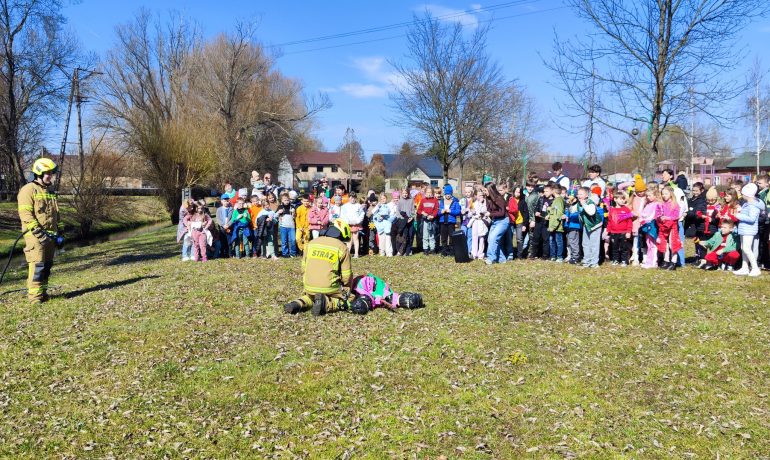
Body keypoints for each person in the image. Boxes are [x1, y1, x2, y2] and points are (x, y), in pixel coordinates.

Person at [284, 219, 353, 316]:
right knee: (351, 299)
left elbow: (303, 268)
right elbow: (347, 276)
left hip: (309, 286)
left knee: (310, 297)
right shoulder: (342, 247)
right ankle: (327, 304)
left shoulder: (311, 243)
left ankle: (297, 303)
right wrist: (346, 288)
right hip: (329, 288)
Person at [17, 158, 60, 304]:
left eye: (51, 173)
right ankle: (35, 298)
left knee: (47, 266)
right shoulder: (28, 190)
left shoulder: (50, 190)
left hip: (50, 236)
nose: (50, 176)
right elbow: (26, 215)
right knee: (38, 266)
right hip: (35, 237)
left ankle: (43, 294)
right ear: (39, 173)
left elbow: (55, 213)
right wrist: (38, 232)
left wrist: (59, 231)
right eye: (47, 173)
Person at [734, 183, 765, 277]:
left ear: (747, 195)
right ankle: (745, 268)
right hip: (744, 229)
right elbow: (746, 214)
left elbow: (751, 219)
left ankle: (755, 268)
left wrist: (738, 215)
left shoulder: (753, 206)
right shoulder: (747, 204)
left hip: (749, 230)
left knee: (747, 249)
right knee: (744, 249)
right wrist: (740, 210)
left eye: (742, 193)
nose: (741, 195)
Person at [574, 186, 602, 268]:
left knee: (594, 244)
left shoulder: (590, 202)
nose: (579, 196)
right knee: (585, 244)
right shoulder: (579, 203)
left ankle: (594, 262)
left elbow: (591, 212)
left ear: (586, 195)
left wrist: (584, 204)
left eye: (581, 194)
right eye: (578, 194)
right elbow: (573, 210)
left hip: (595, 226)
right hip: (586, 226)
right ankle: (587, 260)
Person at [656, 186, 683, 270]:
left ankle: (673, 262)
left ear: (671, 194)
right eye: (663, 194)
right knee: (664, 244)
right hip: (663, 227)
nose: (664, 195)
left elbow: (676, 216)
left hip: (672, 227)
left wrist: (668, 218)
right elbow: (657, 214)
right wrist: (659, 217)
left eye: (666, 194)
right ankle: (666, 260)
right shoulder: (660, 204)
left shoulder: (674, 204)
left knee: (672, 244)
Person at [484, 182, 509, 265]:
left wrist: (490, 214)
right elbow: (489, 211)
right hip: (495, 221)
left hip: (503, 221)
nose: (484, 192)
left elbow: (502, 213)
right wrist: (485, 213)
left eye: (485, 190)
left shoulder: (499, 199)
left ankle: (491, 258)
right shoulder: (488, 199)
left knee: (493, 238)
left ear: (490, 190)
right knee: (490, 239)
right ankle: (502, 259)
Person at [607, 190, 634, 266]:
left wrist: (628, 231)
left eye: (623, 199)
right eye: (620, 199)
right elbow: (610, 221)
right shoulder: (612, 210)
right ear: (615, 199)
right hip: (614, 233)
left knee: (624, 247)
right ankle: (615, 260)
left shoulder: (626, 210)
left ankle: (624, 261)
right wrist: (608, 230)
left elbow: (629, 222)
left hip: (623, 232)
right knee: (614, 247)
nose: (622, 200)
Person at [531, 182, 554, 259]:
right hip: (539, 221)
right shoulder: (541, 199)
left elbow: (554, 212)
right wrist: (536, 212)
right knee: (535, 238)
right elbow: (536, 208)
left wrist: (549, 216)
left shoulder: (554, 201)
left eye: (547, 191)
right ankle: (534, 254)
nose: (545, 193)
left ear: (552, 191)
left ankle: (545, 255)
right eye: (544, 191)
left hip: (546, 223)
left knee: (545, 239)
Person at [437, 185, 461, 256]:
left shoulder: (455, 201)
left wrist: (451, 211)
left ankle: (451, 250)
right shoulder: (441, 202)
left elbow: (458, 211)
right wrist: (441, 212)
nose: (448, 195)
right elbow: (438, 212)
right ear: (444, 194)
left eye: (449, 194)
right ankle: (444, 250)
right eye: (446, 194)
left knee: (451, 236)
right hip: (442, 221)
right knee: (443, 237)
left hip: (451, 222)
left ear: (451, 194)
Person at [341, 192, 365, 258]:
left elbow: (362, 214)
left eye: (354, 198)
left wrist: (357, 221)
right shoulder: (345, 206)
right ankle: (348, 253)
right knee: (349, 239)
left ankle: (356, 253)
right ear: (349, 198)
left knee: (356, 238)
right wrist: (348, 221)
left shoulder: (358, 206)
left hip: (356, 224)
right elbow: (343, 215)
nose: (353, 199)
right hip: (348, 224)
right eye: (351, 198)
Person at [416, 187, 439, 255]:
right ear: (425, 193)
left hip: (432, 220)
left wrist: (433, 216)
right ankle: (425, 249)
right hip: (425, 220)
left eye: (430, 192)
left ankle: (432, 249)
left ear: (432, 193)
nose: (429, 194)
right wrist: (423, 213)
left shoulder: (435, 200)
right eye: (427, 192)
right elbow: (419, 210)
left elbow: (436, 210)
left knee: (431, 235)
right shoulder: (423, 200)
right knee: (425, 235)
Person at [468, 189, 489, 259]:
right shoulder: (473, 203)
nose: (481, 197)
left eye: (482, 195)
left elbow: (484, 211)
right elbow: (469, 215)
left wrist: (482, 205)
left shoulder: (485, 203)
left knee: (482, 238)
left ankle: (480, 254)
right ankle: (474, 253)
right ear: (476, 196)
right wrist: (472, 212)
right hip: (475, 222)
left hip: (482, 222)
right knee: (474, 237)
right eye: (479, 195)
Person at [372, 192, 396, 256]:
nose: (383, 200)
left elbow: (392, 214)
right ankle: (382, 252)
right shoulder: (378, 206)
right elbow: (373, 213)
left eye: (384, 198)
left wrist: (388, 218)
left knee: (388, 239)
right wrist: (378, 217)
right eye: (381, 199)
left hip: (387, 224)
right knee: (381, 239)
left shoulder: (388, 206)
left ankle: (389, 252)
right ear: (380, 199)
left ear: (386, 198)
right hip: (380, 225)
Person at [546, 184, 565, 262]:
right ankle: (553, 256)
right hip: (552, 225)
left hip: (557, 227)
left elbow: (558, 214)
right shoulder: (556, 200)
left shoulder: (559, 200)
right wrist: (549, 213)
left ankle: (559, 257)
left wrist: (553, 226)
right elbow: (554, 212)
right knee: (552, 241)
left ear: (553, 190)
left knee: (558, 242)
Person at [564, 190, 582, 264]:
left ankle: (575, 257)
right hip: (568, 226)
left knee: (573, 241)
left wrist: (569, 216)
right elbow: (566, 213)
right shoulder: (569, 205)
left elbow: (578, 215)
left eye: (570, 197)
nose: (568, 199)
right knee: (569, 241)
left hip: (575, 226)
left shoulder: (578, 205)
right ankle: (570, 255)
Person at [277, 192, 297, 257]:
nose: (286, 201)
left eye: (288, 200)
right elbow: (276, 216)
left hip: (291, 227)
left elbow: (294, 217)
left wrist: (293, 212)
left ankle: (293, 253)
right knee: (284, 241)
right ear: (282, 200)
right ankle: (285, 253)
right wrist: (278, 212)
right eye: (285, 200)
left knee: (293, 240)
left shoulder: (292, 207)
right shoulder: (280, 207)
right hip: (283, 226)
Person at [513, 186, 530, 260]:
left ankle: (519, 255)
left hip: (520, 222)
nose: (517, 193)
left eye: (519, 192)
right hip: (512, 221)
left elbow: (526, 214)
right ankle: (511, 254)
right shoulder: (511, 200)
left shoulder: (523, 202)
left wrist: (524, 225)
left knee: (519, 239)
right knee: (509, 238)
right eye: (516, 192)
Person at [215, 194, 233, 258]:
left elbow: (232, 219)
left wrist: (228, 225)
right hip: (222, 228)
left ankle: (229, 253)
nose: (226, 202)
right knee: (223, 241)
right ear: (221, 201)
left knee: (229, 241)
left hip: (229, 227)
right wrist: (223, 225)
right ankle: (223, 253)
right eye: (224, 201)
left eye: (227, 201)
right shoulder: (219, 209)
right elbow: (218, 218)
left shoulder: (231, 209)